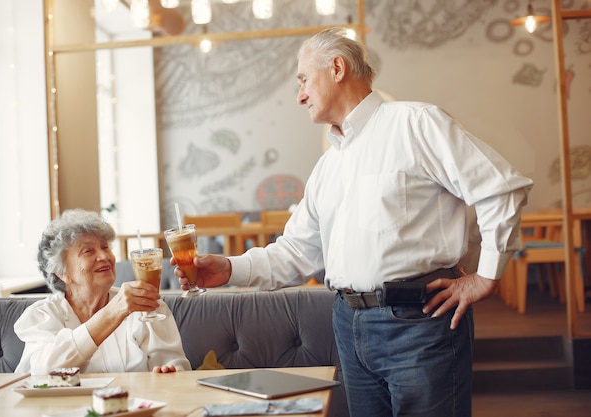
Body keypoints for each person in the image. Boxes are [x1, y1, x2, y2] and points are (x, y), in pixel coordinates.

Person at [175, 27, 533, 417]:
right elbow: (296, 252)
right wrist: (228, 269)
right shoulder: (328, 164)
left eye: (303, 80)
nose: (300, 96)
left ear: (338, 68)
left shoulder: (415, 123)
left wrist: (485, 277)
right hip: (347, 325)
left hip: (418, 323)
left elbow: (502, 188)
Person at [15, 209, 191, 375]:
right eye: (88, 251)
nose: (104, 256)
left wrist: (170, 372)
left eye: (105, 247)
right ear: (62, 273)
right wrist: (113, 311)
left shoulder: (144, 304)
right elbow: (44, 373)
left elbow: (174, 365)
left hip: (138, 405)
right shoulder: (43, 315)